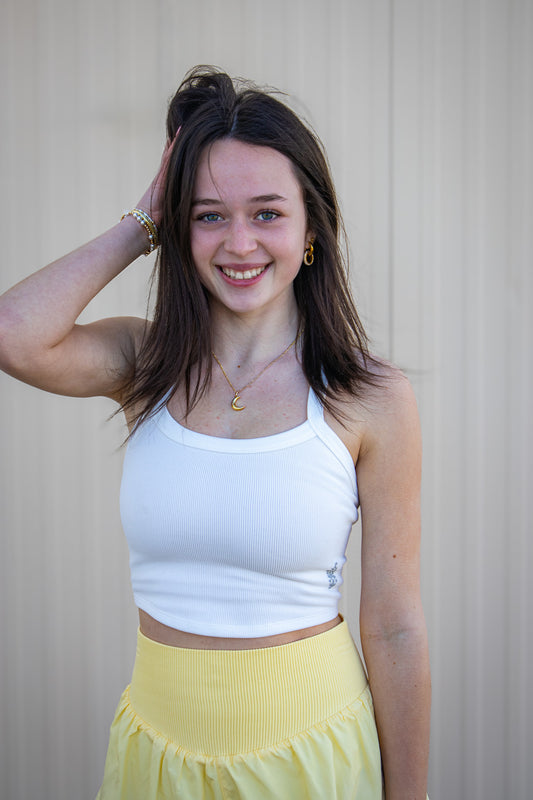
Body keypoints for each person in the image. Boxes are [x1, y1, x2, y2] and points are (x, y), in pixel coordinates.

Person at [0, 66, 430, 799]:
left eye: (266, 213)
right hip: (155, 756)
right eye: (207, 215)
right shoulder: (148, 363)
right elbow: (15, 334)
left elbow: (392, 627)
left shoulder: (368, 396)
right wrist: (142, 221)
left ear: (309, 230)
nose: (238, 243)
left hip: (309, 752)